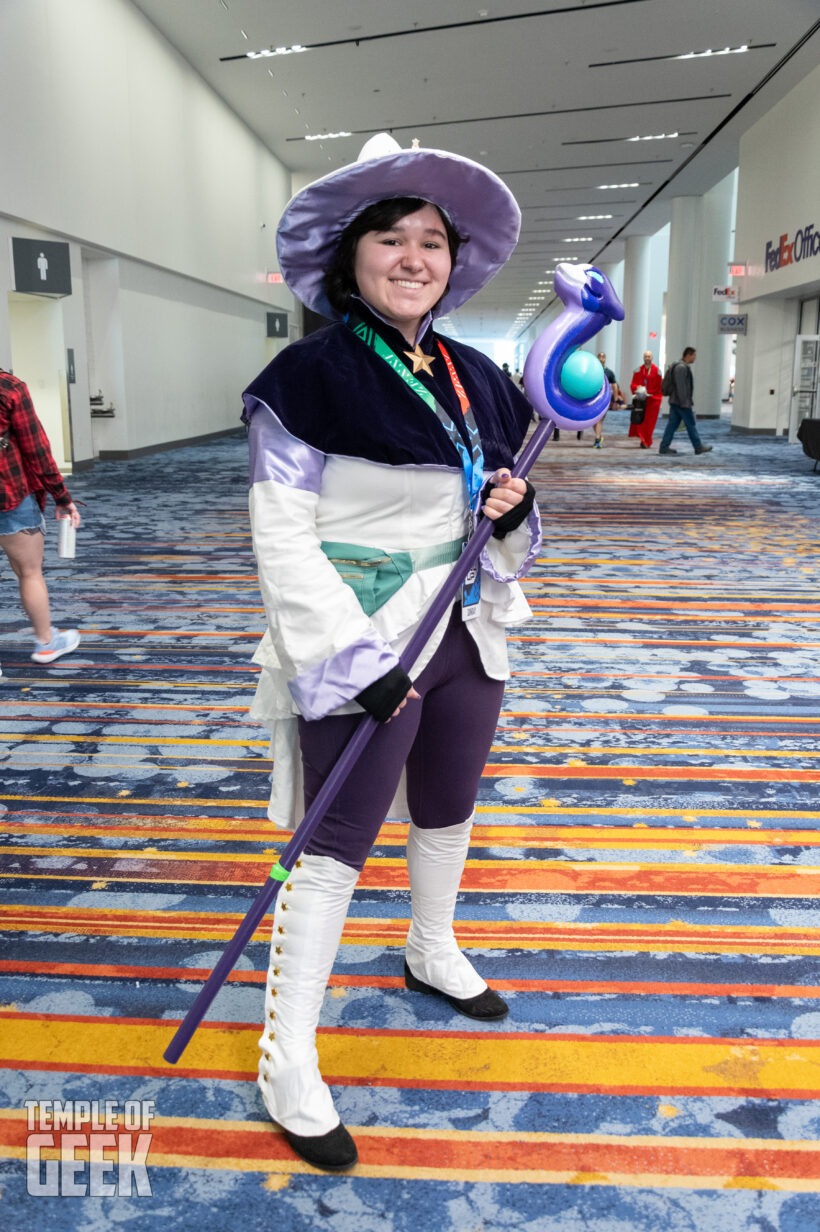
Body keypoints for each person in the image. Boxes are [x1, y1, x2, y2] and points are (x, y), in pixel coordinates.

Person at [242, 133, 540, 1171]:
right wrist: (344, 652)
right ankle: (286, 1053)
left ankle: (430, 942)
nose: (415, 257)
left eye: (432, 242)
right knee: (333, 842)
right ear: (350, 254)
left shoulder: (473, 376)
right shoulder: (305, 372)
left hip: (464, 624)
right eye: (392, 238)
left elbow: (495, 495)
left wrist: (508, 509)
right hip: (361, 630)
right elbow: (280, 530)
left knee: (450, 801)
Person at [0, 368, 82, 664]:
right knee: (29, 573)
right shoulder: (9, 387)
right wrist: (62, 497)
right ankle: (46, 643)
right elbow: (37, 451)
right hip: (8, 493)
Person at [658, 347, 713, 455]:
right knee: (690, 424)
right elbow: (681, 387)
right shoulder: (681, 368)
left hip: (675, 401)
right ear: (688, 355)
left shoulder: (678, 366)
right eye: (694, 356)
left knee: (672, 426)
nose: (695, 358)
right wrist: (685, 403)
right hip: (681, 402)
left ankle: (664, 447)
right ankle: (698, 447)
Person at [629, 350, 663, 449]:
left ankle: (647, 440)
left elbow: (660, 387)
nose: (647, 358)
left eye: (649, 356)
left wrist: (652, 394)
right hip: (641, 400)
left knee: (650, 422)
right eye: (645, 356)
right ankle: (643, 440)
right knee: (641, 421)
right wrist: (638, 388)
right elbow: (632, 384)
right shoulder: (638, 370)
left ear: (652, 358)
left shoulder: (657, 371)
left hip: (653, 400)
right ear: (643, 358)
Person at [591, 352, 625, 448]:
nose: (601, 359)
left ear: (605, 359)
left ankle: (597, 440)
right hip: (592, 400)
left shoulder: (609, 372)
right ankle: (599, 436)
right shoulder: (592, 371)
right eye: (600, 357)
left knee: (599, 420)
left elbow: (614, 386)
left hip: (604, 400)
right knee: (593, 421)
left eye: (603, 357)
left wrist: (616, 400)